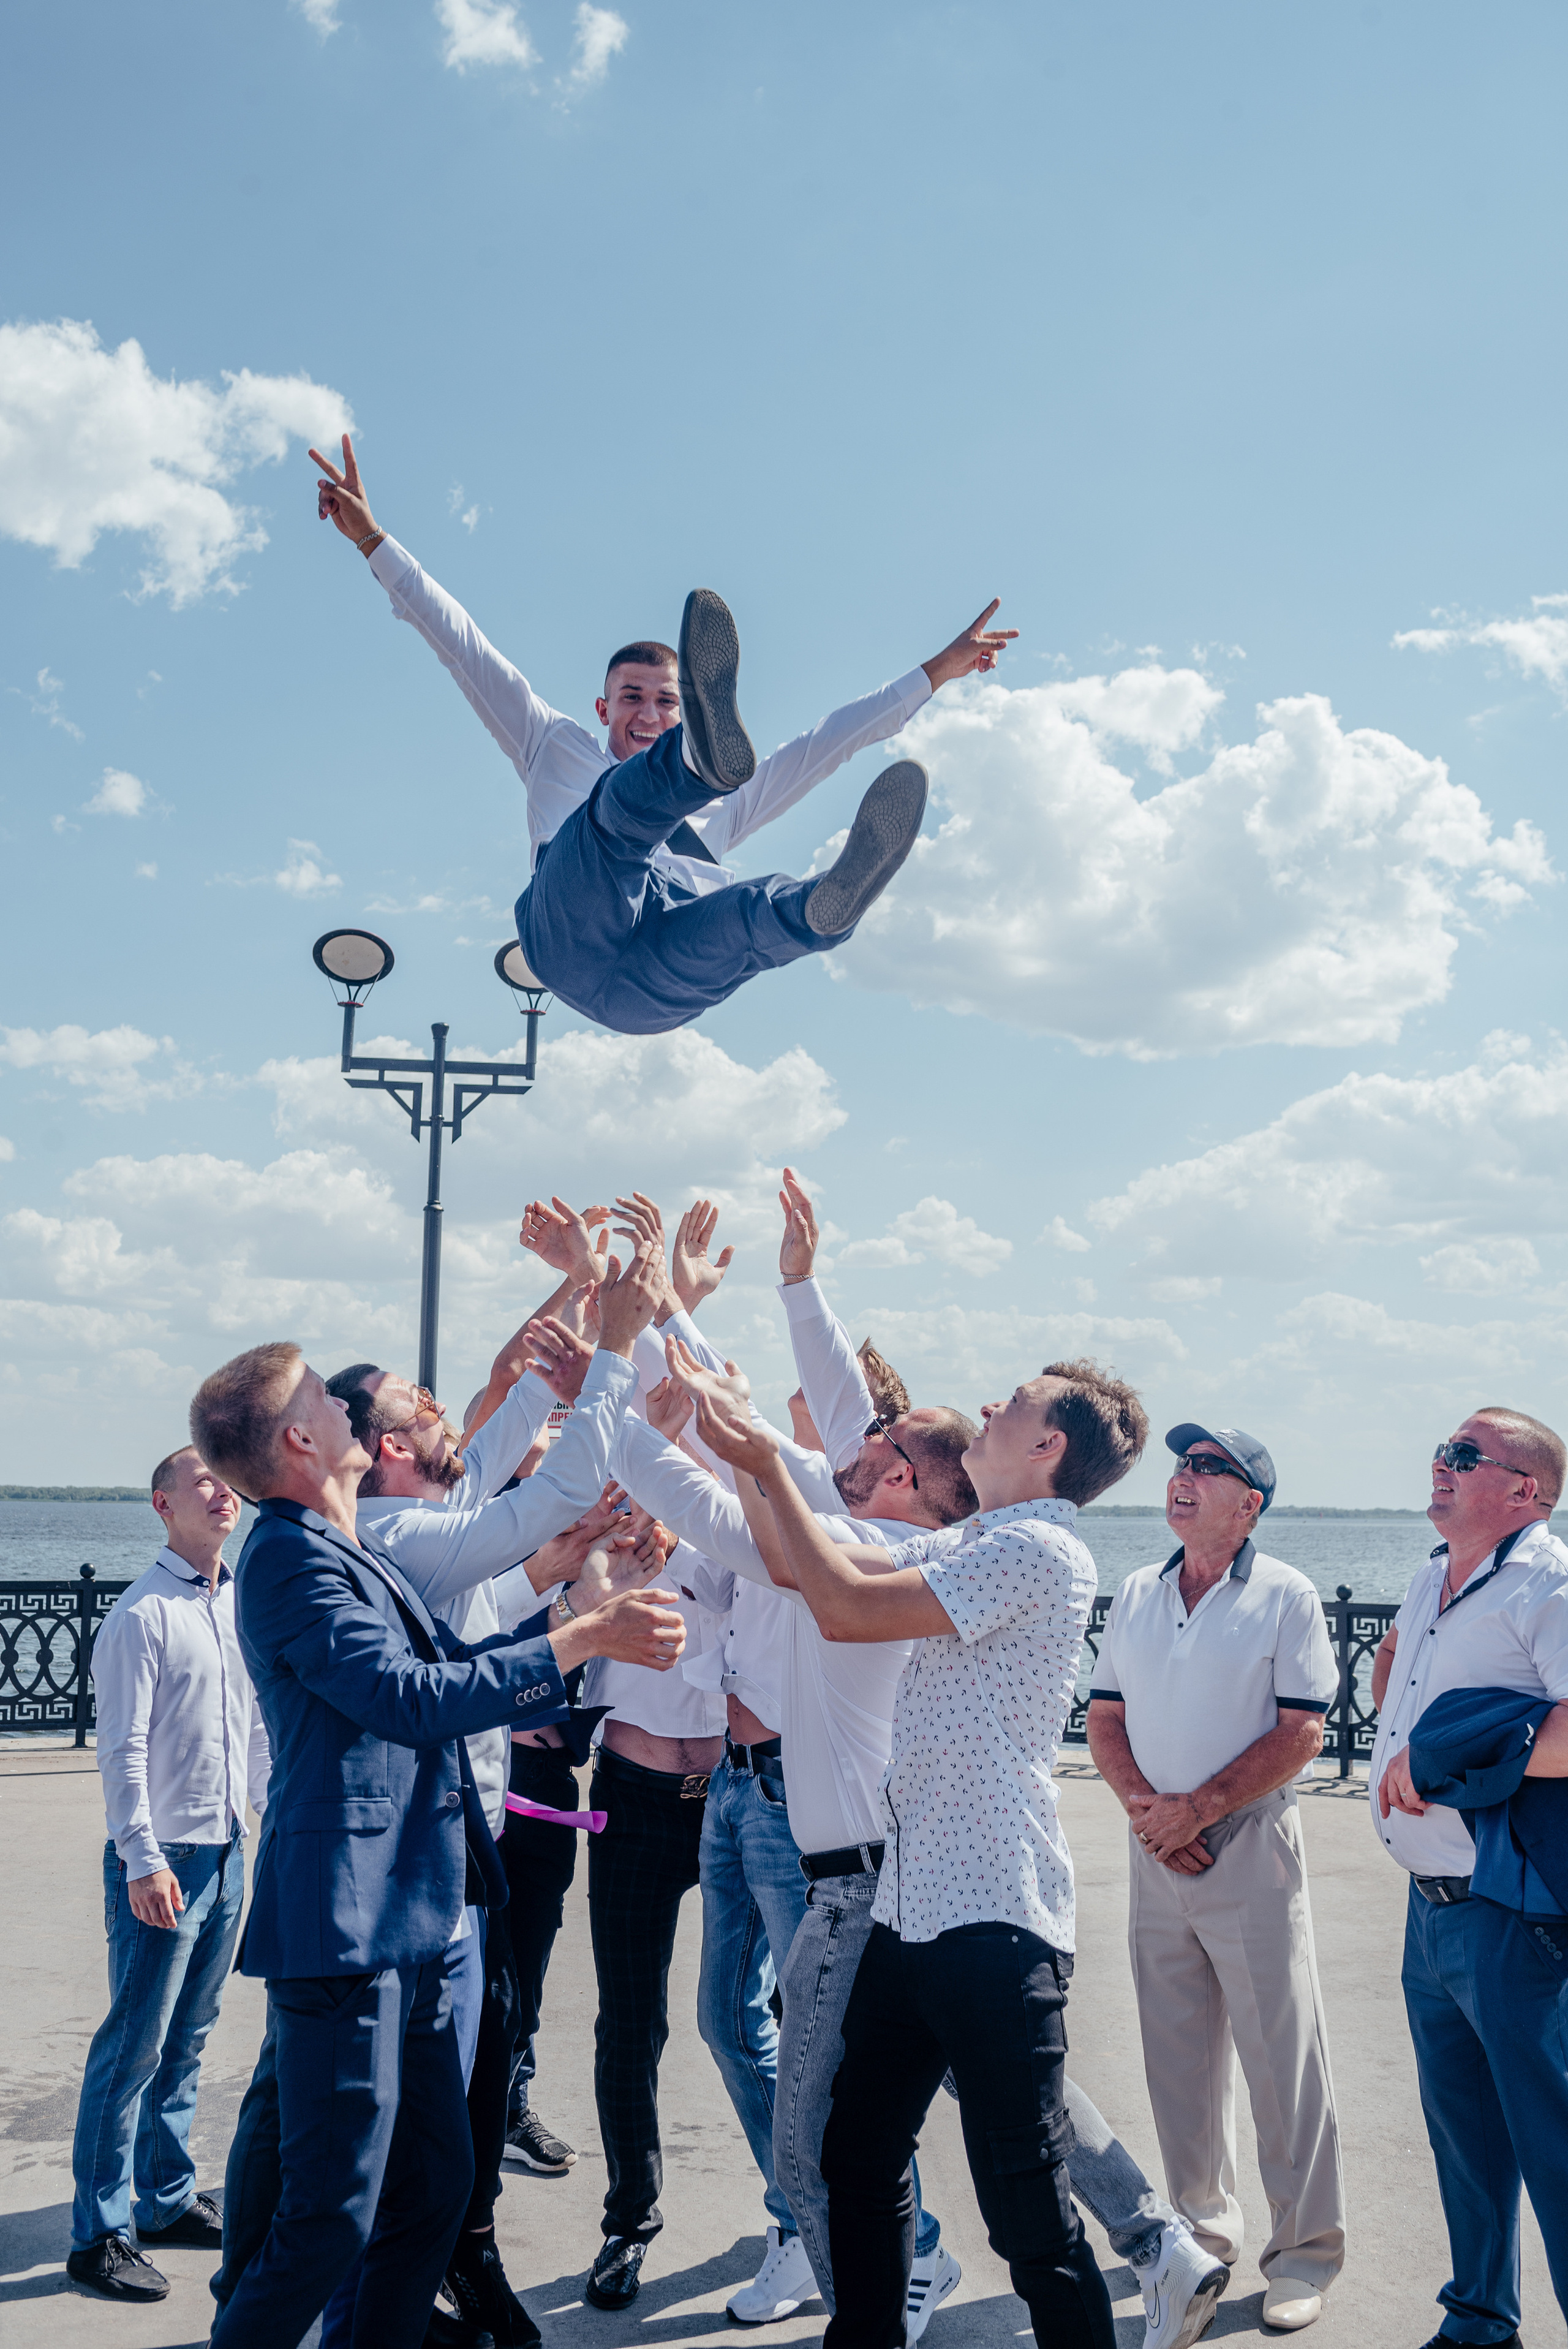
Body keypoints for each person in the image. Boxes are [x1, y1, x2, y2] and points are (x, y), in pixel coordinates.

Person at [193, 1245, 687, 2349]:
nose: (346, 1403)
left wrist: (579, 1602)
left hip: (413, 1912)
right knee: (330, 2214)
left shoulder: (346, 1544)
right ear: (301, 1440)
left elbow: (458, 1631)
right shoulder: (289, 1557)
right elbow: (404, 1697)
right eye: (327, 1398)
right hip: (350, 1922)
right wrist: (583, 1638)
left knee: (430, 2185)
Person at [684, 1360, 1148, 2349]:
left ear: (1049, 1445)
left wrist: (763, 1457)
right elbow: (810, 1566)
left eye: (1012, 1403)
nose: (989, 1406)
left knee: (1027, 2212)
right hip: (908, 1909)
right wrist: (750, 1463)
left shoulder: (1041, 1549)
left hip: (994, 1922)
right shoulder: (976, 1537)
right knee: (857, 2158)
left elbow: (847, 1607)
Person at [308, 431, 1016, 1035]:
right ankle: (694, 769)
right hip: (572, 938)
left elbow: (830, 742)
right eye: (632, 699)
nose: (646, 715)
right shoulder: (550, 744)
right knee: (616, 815)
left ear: (683, 711)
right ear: (602, 708)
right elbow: (463, 647)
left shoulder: (734, 806)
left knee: (745, 919)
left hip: (653, 989)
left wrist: (937, 672)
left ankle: (817, 910)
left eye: (665, 703)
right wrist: (372, 539)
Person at [322, 1285, 668, 2349]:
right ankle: (376, 2294)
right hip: (424, 1847)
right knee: (402, 2108)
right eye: (423, 1406)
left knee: (453, 2078)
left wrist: (561, 1556)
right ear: (390, 1447)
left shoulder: (418, 1519)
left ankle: (415, 2275)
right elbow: (537, 1489)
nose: (445, 1413)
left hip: (459, 1838)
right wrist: (613, 1345)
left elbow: (494, 1555)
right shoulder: (400, 1529)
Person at [1087, 1425, 1343, 2337]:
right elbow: (1104, 1716)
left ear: (1249, 1504)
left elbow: (1303, 1730)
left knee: (1283, 2060)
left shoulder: (1286, 1594)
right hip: (1155, 1847)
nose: (1183, 1478)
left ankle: (1304, 2253)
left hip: (1248, 1844)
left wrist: (1198, 1809)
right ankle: (1202, 2232)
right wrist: (1149, 1813)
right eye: (1181, 1465)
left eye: (1208, 1468)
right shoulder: (1137, 1590)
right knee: (1178, 2058)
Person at [1370, 1407, 1568, 2349]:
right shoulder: (1430, 1575)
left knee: (1554, 2142)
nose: (1439, 1464)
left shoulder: (1549, 1582)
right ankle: (1481, 2323)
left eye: (1462, 1455)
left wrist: (1452, 1754)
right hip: (1429, 1905)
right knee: (1464, 2134)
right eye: (1442, 1450)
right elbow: (1399, 1686)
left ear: (1524, 1489)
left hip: (1511, 1911)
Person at [66, 1448, 270, 2305]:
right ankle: (98, 2234)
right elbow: (123, 1750)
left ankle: (166, 2196)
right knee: (132, 2049)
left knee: (188, 2037)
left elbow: (253, 1730)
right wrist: (142, 1858)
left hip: (228, 1850)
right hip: (165, 1862)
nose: (223, 1492)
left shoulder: (236, 1602)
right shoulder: (140, 1614)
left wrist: (270, 1819)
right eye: (202, 1482)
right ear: (163, 1504)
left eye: (227, 1479)